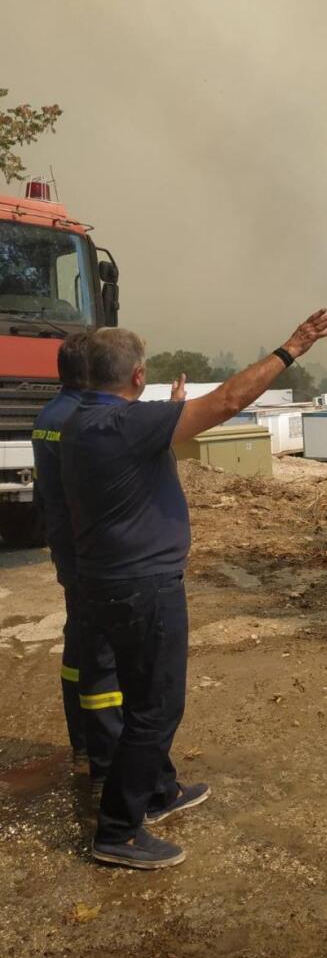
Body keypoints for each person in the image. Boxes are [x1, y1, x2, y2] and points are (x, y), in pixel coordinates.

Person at [61, 310, 327, 869]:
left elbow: (144, 422)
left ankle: (158, 791)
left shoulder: (82, 420)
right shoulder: (128, 427)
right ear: (137, 377)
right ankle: (117, 830)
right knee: (157, 708)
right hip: (143, 586)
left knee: (142, 697)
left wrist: (167, 408)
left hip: (107, 581)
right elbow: (231, 399)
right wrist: (290, 350)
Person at [31, 333, 123, 786]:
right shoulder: (85, 419)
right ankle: (103, 754)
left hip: (67, 550)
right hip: (92, 556)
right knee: (102, 656)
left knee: (79, 645)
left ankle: (83, 743)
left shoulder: (49, 414)